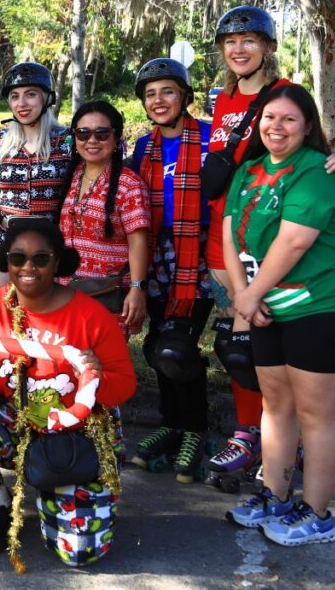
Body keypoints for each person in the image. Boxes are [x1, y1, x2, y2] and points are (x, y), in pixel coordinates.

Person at [205, 7, 335, 486]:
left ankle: (280, 447)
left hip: (274, 251)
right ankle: (250, 435)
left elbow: (312, 145)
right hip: (227, 236)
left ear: (268, 48)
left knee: (252, 347)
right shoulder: (224, 99)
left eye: (250, 40)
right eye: (230, 42)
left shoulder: (281, 95)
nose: (239, 49)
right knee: (238, 349)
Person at [222, 84, 335, 546]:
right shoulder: (248, 171)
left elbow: (295, 241)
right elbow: (229, 235)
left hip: (324, 308)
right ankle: (275, 495)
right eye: (269, 117)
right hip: (270, 308)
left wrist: (249, 298)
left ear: (307, 127)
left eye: (289, 119)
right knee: (276, 406)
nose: (276, 127)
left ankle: (318, 514)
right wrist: (246, 294)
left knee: (315, 414)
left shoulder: (316, 171)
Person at [0, 218, 136, 566]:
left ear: (57, 261)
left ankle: (62, 494)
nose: (28, 268)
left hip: (78, 433)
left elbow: (125, 386)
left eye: (41, 259)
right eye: (18, 258)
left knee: (79, 553)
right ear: (6, 262)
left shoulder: (92, 316)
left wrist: (94, 376)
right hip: (18, 421)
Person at [128, 58, 215, 485]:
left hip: (197, 258)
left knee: (177, 346)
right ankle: (170, 422)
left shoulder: (212, 137)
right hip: (157, 255)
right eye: (150, 94)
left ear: (184, 96)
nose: (158, 101)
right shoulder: (144, 148)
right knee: (157, 346)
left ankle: (194, 430)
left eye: (167, 91)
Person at [0, 62, 73, 289]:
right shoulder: (1, 139)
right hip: (3, 241)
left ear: (46, 98)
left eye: (30, 95)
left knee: (43, 319)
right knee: (1, 313)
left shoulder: (67, 141)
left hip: (49, 245)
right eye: (15, 96)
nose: (22, 103)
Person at [59, 100, 149, 332]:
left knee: (104, 365)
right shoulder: (72, 176)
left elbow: (138, 243)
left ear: (116, 138)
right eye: (83, 133)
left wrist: (138, 288)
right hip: (67, 291)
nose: (91, 141)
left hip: (110, 294)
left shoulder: (129, 184)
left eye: (101, 133)